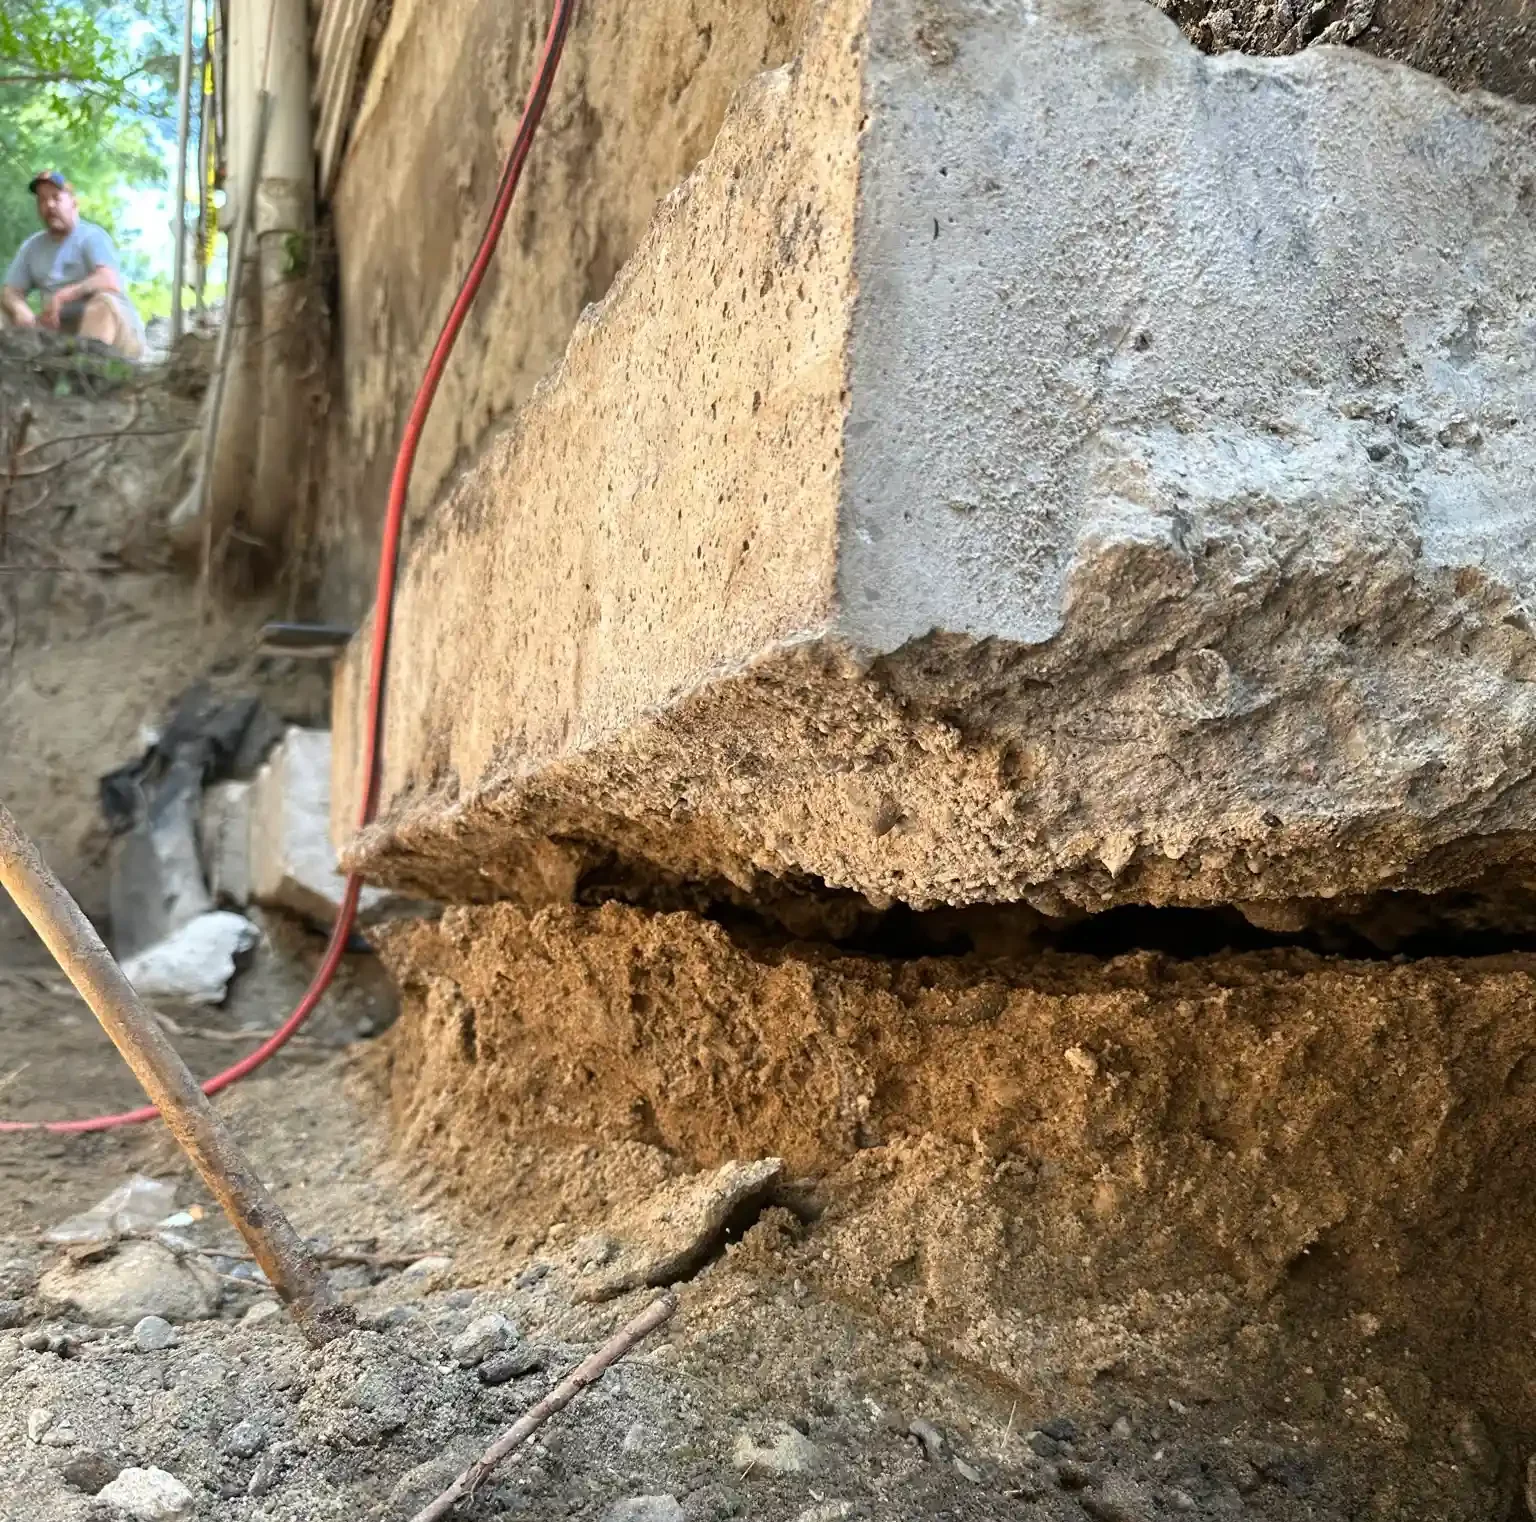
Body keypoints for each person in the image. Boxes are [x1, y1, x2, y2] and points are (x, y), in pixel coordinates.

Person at [1, 171, 146, 360]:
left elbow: (109, 279)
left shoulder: (91, 236)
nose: (49, 205)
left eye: (56, 197)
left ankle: (87, 372)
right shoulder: (32, 247)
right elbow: (10, 291)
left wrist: (63, 296)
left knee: (102, 305)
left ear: (73, 203)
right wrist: (22, 311)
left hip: (116, 333)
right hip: (58, 334)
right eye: (42, 200)